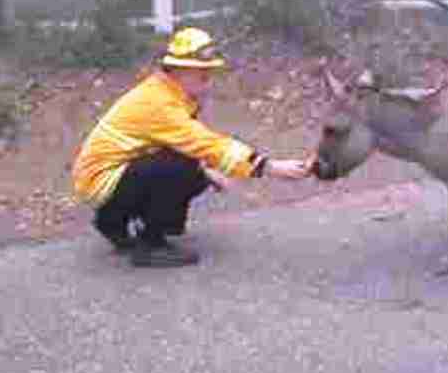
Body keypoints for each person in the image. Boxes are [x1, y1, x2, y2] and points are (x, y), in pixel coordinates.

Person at [71, 27, 311, 268]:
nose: (208, 82)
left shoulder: (166, 92)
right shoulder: (160, 104)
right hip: (103, 179)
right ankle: (151, 245)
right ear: (178, 71)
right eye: (202, 76)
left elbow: (188, 143)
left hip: (103, 177)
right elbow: (206, 144)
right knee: (181, 167)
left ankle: (112, 222)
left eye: (209, 75)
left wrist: (206, 169)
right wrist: (269, 167)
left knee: (193, 168)